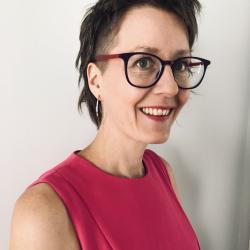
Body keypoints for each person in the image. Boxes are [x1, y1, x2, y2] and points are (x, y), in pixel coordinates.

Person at [9, 0, 210, 249]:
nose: (170, 87)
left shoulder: (163, 172)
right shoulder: (44, 211)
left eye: (180, 65)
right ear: (95, 81)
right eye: (143, 63)